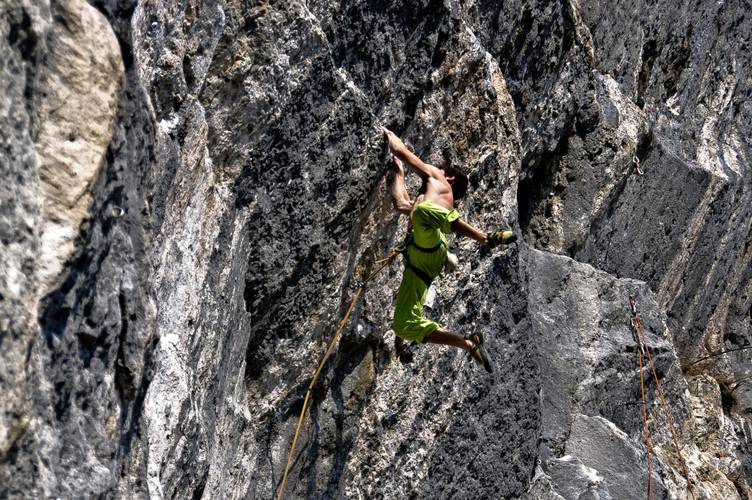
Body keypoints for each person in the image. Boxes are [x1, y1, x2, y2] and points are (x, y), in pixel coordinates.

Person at [383, 127, 516, 373]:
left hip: (431, 246)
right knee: (401, 325)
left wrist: (387, 136)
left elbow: (401, 150)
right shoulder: (426, 199)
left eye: (442, 169)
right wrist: (398, 173)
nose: (436, 169)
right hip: (422, 261)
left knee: (422, 213)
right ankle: (467, 343)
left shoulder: (439, 178)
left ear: (450, 178)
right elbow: (401, 202)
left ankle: (486, 238)